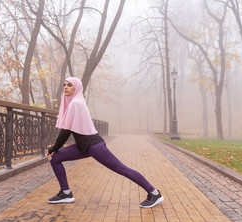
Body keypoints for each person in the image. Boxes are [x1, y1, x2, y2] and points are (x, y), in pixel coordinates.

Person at [47, 77, 164, 208]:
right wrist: (55, 150)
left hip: (95, 147)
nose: (65, 87)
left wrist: (54, 148)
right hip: (84, 146)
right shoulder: (76, 102)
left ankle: (154, 193)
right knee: (55, 158)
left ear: (77, 88)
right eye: (64, 85)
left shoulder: (75, 103)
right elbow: (69, 129)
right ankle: (66, 193)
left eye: (70, 85)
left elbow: (66, 130)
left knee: (122, 169)